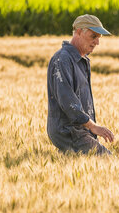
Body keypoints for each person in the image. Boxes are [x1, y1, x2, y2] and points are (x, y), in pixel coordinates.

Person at [46, 14, 115, 155]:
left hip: (80, 130)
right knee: (107, 160)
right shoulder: (62, 59)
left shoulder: (83, 60)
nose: (97, 42)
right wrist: (92, 126)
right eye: (93, 36)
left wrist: (90, 128)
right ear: (78, 32)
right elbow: (67, 101)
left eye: (98, 38)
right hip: (69, 130)